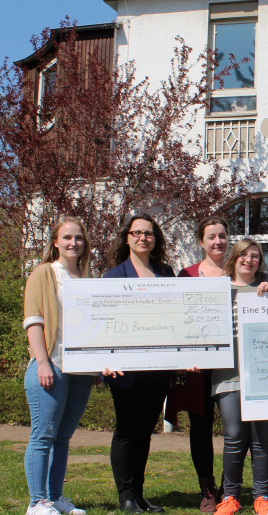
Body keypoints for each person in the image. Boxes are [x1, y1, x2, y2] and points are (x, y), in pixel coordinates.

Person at [23, 216, 95, 515]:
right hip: (50, 364)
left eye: (78, 238)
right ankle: (37, 502)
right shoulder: (44, 273)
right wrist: (42, 361)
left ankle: (55, 497)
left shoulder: (89, 279)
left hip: (80, 370)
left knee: (62, 438)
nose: (73, 243)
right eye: (67, 238)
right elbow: (33, 319)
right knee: (43, 435)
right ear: (55, 242)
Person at [103, 213, 175, 514]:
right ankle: (127, 497)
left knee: (145, 430)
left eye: (148, 233)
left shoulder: (166, 274)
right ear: (127, 238)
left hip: (157, 369)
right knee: (127, 431)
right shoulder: (113, 277)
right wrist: (103, 361)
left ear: (155, 239)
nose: (143, 238)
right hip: (125, 370)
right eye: (137, 233)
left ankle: (140, 495)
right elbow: (102, 323)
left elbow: (176, 318)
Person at [213, 238, 268, 515]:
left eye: (255, 256)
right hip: (227, 376)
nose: (249, 260)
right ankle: (230, 497)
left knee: (260, 440)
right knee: (232, 437)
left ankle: (262, 497)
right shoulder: (218, 289)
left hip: (261, 377)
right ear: (235, 257)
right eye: (244, 255)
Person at [165, 217, 229, 512]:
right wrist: (183, 358)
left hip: (232, 366)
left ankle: (230, 488)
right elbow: (178, 321)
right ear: (201, 242)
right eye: (212, 237)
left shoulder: (237, 272)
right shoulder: (187, 276)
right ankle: (207, 490)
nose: (218, 241)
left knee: (234, 428)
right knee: (200, 428)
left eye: (222, 236)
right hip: (198, 368)